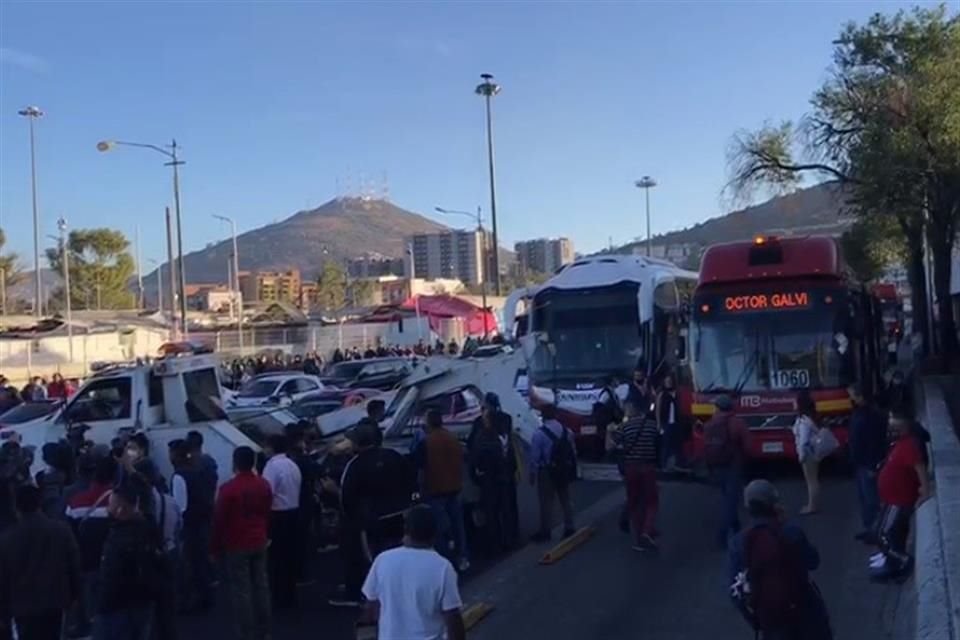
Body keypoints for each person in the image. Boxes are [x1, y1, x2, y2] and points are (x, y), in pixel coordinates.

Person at [729, 480, 833, 640]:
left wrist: (756, 620)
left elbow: (735, 589)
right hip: (805, 610)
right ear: (774, 504)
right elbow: (813, 561)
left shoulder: (739, 543)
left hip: (772, 620)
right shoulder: (792, 531)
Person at [329, 421, 416, 607]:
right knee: (402, 553)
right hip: (400, 515)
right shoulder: (394, 455)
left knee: (375, 559)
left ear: (359, 443)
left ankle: (381, 598)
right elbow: (411, 479)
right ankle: (404, 588)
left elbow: (347, 498)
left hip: (372, 521)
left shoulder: (354, 465)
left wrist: (355, 519)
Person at [361, 505, 466, 640]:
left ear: (406, 531)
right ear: (434, 534)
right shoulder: (442, 567)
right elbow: (452, 618)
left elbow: (370, 609)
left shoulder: (383, 560)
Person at [0, 484, 81, 640]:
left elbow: (2, 579)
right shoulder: (61, 531)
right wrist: (75, 596)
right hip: (56, 601)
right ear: (40, 503)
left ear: (16, 506)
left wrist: (3, 613)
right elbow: (74, 565)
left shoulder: (7, 540)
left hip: (23, 607)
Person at [211, 446, 273, 640]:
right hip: (259, 538)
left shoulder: (228, 489)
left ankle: (247, 633)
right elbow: (267, 510)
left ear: (235, 462)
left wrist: (214, 547)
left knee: (242, 591)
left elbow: (219, 520)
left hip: (237, 542)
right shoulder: (263, 484)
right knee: (261, 585)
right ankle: (265, 630)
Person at [95, 477, 164, 640]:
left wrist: (102, 606)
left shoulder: (118, 539)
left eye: (110, 505)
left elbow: (111, 576)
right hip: (144, 601)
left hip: (116, 608)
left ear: (120, 509)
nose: (107, 509)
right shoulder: (148, 527)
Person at [871, 408, 930, 582]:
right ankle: (893, 566)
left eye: (894, 425)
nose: (891, 430)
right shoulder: (900, 443)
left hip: (900, 501)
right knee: (892, 535)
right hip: (893, 499)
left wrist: (924, 492)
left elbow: (919, 468)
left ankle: (903, 563)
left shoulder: (909, 445)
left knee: (884, 535)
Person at [65, 455, 117, 639]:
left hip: (86, 563)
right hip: (114, 564)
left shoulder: (76, 501)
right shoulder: (121, 501)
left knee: (87, 603)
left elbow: (69, 536)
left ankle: (87, 629)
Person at [412, 409, 469, 572]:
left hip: (436, 490)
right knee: (458, 526)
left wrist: (420, 489)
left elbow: (420, 468)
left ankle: (446, 561)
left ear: (428, 422)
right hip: (454, 487)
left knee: (439, 529)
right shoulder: (452, 438)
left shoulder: (427, 443)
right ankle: (462, 556)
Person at [467, 393, 519, 554]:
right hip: (505, 471)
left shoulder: (480, 425)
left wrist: (475, 473)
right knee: (507, 507)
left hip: (489, 474)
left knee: (491, 510)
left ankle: (495, 543)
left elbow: (473, 447)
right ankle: (510, 538)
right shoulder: (506, 419)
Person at [169, 438, 215, 613]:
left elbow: (180, 507)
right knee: (200, 562)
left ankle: (192, 599)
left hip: (189, 526)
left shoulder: (179, 475)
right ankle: (206, 596)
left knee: (189, 564)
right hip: (202, 521)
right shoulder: (197, 470)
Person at [611, 399, 660, 551]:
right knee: (651, 501)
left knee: (634, 502)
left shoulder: (625, 427)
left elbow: (612, 444)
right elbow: (658, 444)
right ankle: (648, 530)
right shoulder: (652, 426)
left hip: (631, 468)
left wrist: (609, 431)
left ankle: (639, 538)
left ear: (632, 409)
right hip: (648, 466)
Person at [702, 394, 750, 548]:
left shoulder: (709, 424)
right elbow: (748, 445)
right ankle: (722, 537)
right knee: (730, 502)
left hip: (716, 467)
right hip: (733, 466)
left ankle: (736, 529)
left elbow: (706, 446)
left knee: (727, 499)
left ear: (718, 408)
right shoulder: (737, 423)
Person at [261, 434, 302, 609]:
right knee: (290, 556)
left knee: (276, 559)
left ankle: (278, 597)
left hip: (278, 515)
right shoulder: (292, 465)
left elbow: (266, 493)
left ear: (271, 447)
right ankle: (290, 594)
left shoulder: (272, 467)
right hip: (293, 513)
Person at [529, 404, 577, 543]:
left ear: (543, 416)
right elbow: (573, 451)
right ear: (556, 414)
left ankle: (545, 531)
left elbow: (535, 457)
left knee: (546, 502)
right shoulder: (566, 431)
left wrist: (532, 474)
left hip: (547, 471)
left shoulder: (539, 434)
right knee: (565, 498)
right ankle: (569, 526)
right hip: (563, 469)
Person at [847, 384, 888, 542]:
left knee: (871, 499)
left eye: (852, 395)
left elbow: (874, 443)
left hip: (867, 464)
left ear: (860, 397)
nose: (850, 398)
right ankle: (869, 528)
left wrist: (872, 465)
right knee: (864, 498)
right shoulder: (860, 412)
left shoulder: (871, 416)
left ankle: (876, 530)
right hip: (860, 463)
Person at [793, 391, 821, 515]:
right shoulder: (810, 418)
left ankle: (812, 506)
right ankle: (813, 504)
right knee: (813, 479)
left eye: (795, 402)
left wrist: (801, 456)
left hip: (807, 453)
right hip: (813, 452)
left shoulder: (803, 421)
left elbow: (803, 441)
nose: (793, 403)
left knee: (811, 481)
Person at [656, 374, 686, 471]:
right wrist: (659, 424)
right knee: (666, 445)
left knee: (678, 444)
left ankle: (680, 464)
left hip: (677, 423)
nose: (668, 383)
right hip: (666, 423)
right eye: (667, 381)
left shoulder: (677, 393)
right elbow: (658, 410)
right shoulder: (662, 394)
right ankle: (663, 465)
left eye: (670, 381)